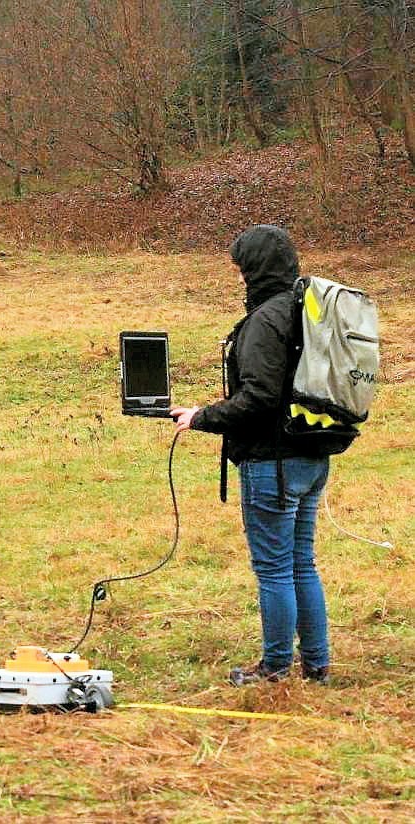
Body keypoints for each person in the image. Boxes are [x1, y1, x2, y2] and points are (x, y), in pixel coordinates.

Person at [171, 224, 335, 686]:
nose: (240, 275)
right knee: (301, 561)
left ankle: (276, 668)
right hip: (310, 457)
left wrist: (203, 417)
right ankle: (316, 665)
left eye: (242, 267)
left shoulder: (266, 319)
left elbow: (259, 398)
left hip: (273, 462)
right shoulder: (306, 310)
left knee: (276, 568)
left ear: (254, 269)